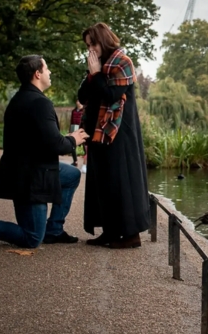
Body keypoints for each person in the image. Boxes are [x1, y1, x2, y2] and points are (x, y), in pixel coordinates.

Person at [0, 55, 89, 248]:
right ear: (37, 74)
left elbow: (38, 139)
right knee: (31, 238)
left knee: (72, 174)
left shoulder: (21, 99)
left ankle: (54, 229)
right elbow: (56, 146)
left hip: (25, 170)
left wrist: (64, 138)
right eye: (46, 68)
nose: (50, 72)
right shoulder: (40, 103)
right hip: (30, 179)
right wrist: (74, 139)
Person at [77, 22, 150, 249]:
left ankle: (130, 236)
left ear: (103, 41)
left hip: (120, 135)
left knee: (121, 183)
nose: (90, 50)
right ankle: (109, 232)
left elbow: (109, 96)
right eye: (88, 46)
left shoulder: (121, 63)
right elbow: (82, 95)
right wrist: (93, 75)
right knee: (103, 183)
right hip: (99, 133)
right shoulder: (99, 66)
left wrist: (97, 74)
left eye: (93, 45)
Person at [69, 100, 88, 173]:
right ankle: (75, 161)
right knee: (73, 145)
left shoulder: (84, 110)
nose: (78, 103)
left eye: (80, 102)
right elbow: (71, 120)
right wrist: (70, 130)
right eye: (77, 102)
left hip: (82, 129)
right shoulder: (74, 111)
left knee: (85, 147)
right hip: (74, 128)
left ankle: (85, 163)